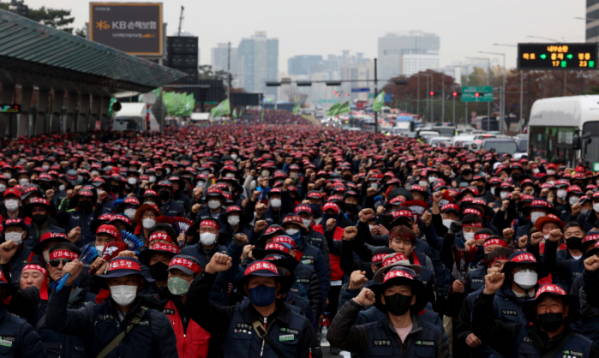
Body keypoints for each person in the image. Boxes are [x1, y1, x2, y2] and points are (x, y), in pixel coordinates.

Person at [186, 253, 321, 358]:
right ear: (246, 289)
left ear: (277, 287)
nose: (261, 286)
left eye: (267, 282)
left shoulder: (300, 324)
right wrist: (209, 271)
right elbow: (194, 306)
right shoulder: (230, 317)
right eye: (255, 282)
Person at [45, 257, 178, 357]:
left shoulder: (158, 321)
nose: (122, 285)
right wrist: (65, 285)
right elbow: (55, 321)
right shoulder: (92, 313)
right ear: (108, 284)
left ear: (140, 284)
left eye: (129, 280)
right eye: (116, 281)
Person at [327, 265, 449, 358]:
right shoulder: (367, 332)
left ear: (413, 299)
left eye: (403, 291)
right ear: (383, 299)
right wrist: (357, 301)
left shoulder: (434, 334)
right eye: (391, 291)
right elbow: (335, 337)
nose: (397, 295)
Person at [472, 269, 599, 357]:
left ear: (566, 311)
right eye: (542, 305)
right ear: (535, 311)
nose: (548, 310)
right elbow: (482, 327)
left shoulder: (586, 347)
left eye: (554, 305)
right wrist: (488, 293)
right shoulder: (517, 335)